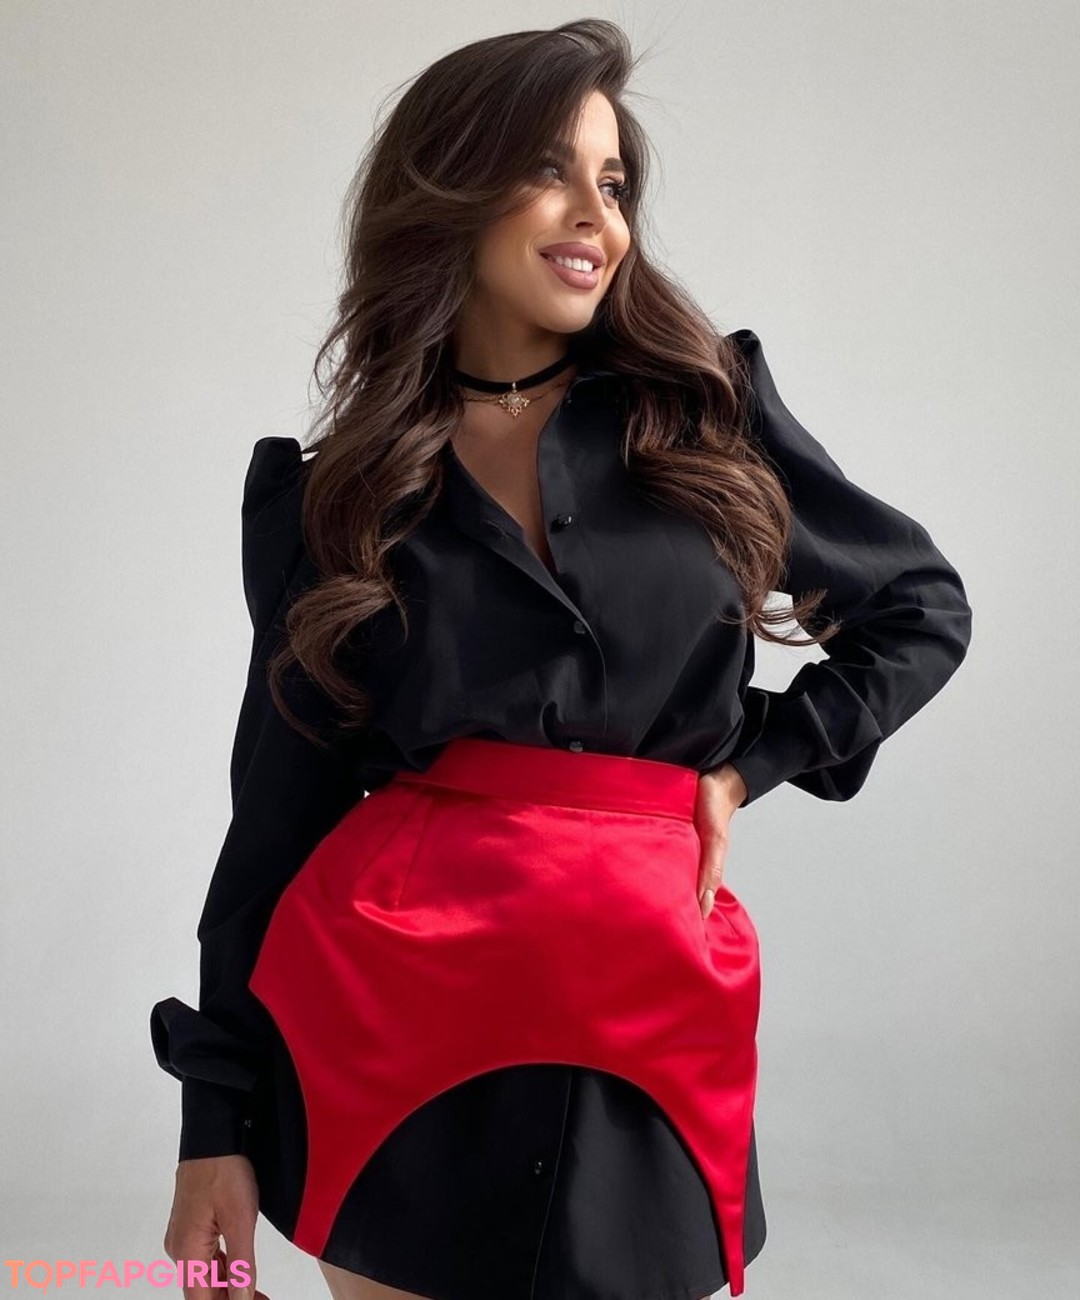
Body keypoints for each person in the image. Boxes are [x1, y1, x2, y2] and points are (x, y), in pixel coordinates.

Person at [149, 19, 973, 1300]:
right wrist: (215, 1123)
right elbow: (276, 820)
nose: (599, 215)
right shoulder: (336, 496)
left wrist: (747, 764)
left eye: (615, 181)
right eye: (551, 169)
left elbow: (917, 609)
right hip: (390, 1040)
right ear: (450, 187)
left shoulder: (707, 413)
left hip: (655, 1020)